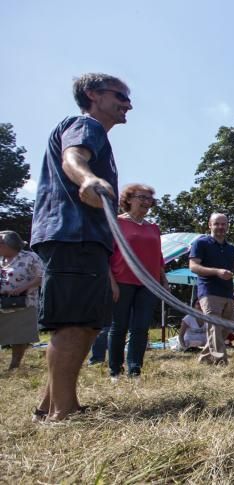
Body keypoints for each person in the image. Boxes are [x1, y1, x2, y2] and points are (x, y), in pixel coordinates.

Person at [30, 73, 129, 421]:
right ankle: (64, 413)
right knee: (73, 324)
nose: (127, 104)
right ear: (93, 94)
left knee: (86, 323)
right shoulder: (86, 125)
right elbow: (72, 158)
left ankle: (49, 405)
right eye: (120, 95)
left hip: (84, 238)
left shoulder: (95, 134)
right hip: (73, 234)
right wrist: (87, 178)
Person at [103, 183, 167, 382]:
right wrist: (111, 282)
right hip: (122, 280)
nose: (147, 202)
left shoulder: (153, 228)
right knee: (118, 326)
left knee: (141, 328)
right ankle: (115, 371)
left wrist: (163, 281)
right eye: (142, 197)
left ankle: (134, 370)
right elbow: (104, 255)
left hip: (148, 284)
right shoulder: (116, 223)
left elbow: (158, 257)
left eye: (150, 199)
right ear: (128, 199)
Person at [189, 213, 234, 365]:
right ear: (210, 225)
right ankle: (220, 361)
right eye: (217, 224)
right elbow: (193, 266)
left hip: (227, 293)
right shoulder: (201, 243)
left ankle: (204, 358)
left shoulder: (231, 248)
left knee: (225, 326)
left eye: (224, 224)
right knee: (215, 326)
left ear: (228, 226)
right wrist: (216, 271)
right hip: (208, 291)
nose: (220, 227)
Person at [0, 231, 43, 370]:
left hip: (23, 303)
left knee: (20, 335)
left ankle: (14, 365)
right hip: (2, 302)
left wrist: (22, 288)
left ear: (9, 245)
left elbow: (41, 276)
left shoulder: (30, 257)